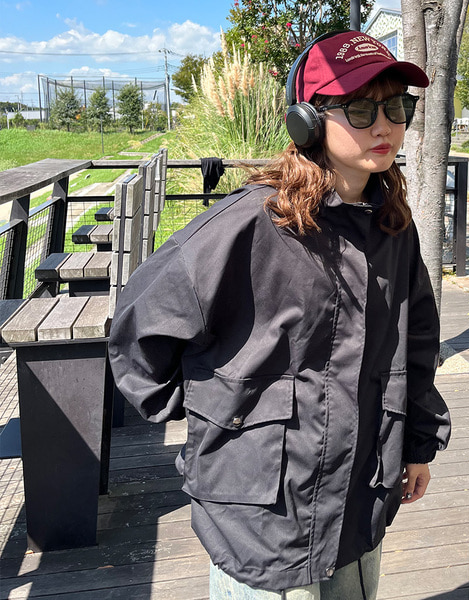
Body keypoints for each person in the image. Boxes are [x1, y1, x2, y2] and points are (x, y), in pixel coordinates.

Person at [108, 30, 451, 600]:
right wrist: (213, 410)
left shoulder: (393, 227)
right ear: (306, 122)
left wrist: (417, 444)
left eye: (397, 107)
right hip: (261, 512)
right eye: (361, 109)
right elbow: (140, 324)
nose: (385, 126)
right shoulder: (250, 224)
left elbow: (416, 341)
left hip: (359, 493)